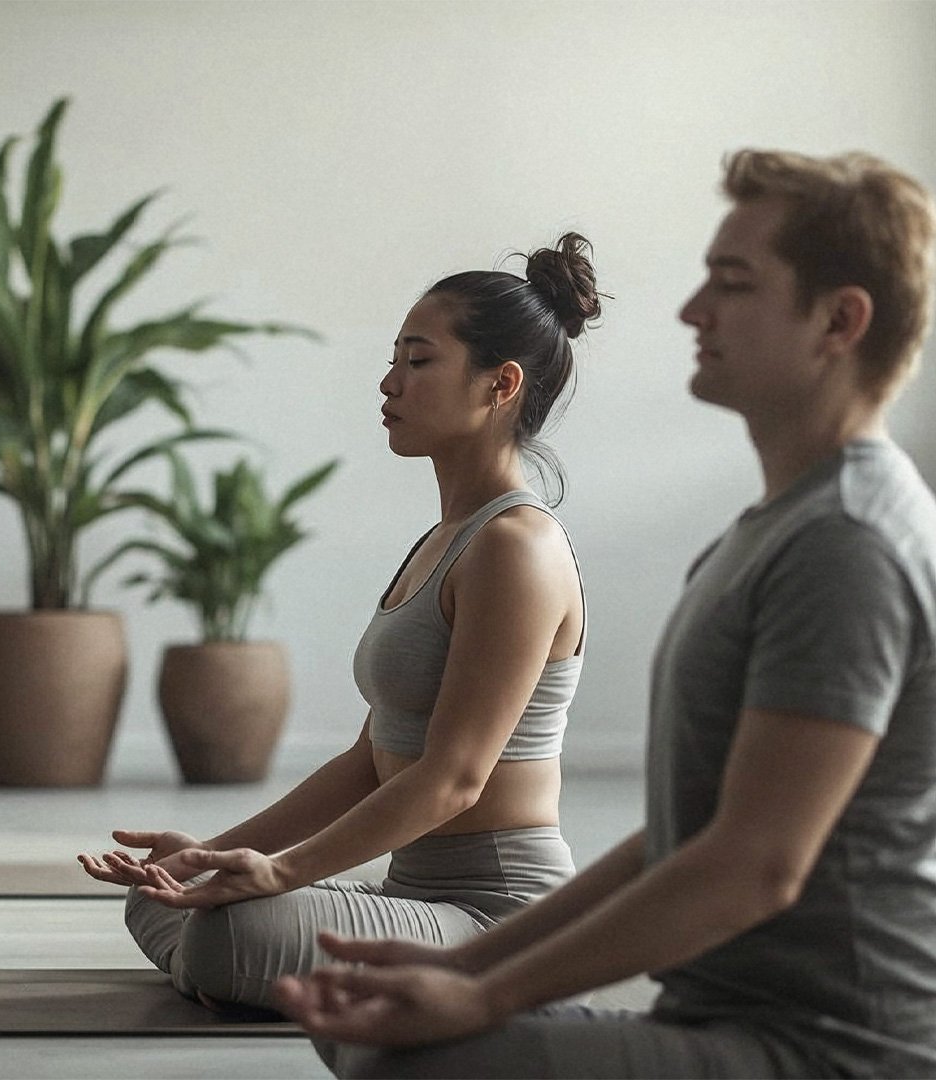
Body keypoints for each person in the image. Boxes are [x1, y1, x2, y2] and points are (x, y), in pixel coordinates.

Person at [275, 149, 936, 1079]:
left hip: (833, 1052)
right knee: (363, 1018)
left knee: (401, 1062)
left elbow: (755, 865)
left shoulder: (847, 545)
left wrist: (485, 992)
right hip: (711, 1012)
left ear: (840, 320)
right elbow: (688, 834)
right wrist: (456, 967)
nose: (691, 310)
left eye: (732, 283)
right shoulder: (777, 530)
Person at [77, 233, 604, 1012]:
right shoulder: (445, 542)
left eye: (419, 361)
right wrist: (219, 854)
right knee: (164, 894)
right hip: (415, 897)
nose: (389, 382)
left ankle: (226, 966)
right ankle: (230, 959)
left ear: (501, 383)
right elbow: (371, 758)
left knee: (232, 933)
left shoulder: (517, 549)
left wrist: (282, 875)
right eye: (393, 358)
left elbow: (455, 780)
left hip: (498, 919)